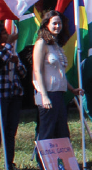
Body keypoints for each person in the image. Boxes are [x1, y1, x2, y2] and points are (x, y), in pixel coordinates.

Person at [32, 14, 82, 142]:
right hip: (47, 93)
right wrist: (44, 95)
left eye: (59, 23)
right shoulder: (41, 43)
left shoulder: (56, 45)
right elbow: (37, 70)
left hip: (59, 93)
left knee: (62, 132)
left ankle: (60, 161)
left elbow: (60, 73)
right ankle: (43, 162)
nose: (57, 26)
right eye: (54, 23)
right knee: (47, 131)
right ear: (46, 24)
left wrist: (72, 89)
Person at [0, 24, 25, 170]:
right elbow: (0, 61)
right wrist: (9, 44)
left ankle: (9, 163)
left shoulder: (11, 51)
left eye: (6, 33)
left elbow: (23, 72)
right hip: (0, 96)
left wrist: (17, 63)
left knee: (11, 131)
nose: (6, 35)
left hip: (15, 94)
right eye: (3, 33)